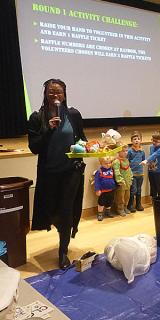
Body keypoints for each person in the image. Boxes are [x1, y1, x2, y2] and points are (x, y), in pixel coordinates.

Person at [28, 78, 86, 269]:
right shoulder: (37, 118)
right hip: (49, 173)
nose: (55, 95)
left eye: (59, 92)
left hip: (71, 171)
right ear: (45, 94)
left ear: (64, 94)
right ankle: (61, 229)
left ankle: (63, 251)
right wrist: (49, 130)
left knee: (66, 209)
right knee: (51, 211)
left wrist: (90, 147)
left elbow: (82, 140)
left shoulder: (74, 115)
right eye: (51, 92)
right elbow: (34, 147)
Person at [140, 131, 160, 198]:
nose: (154, 142)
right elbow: (151, 156)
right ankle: (154, 199)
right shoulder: (151, 147)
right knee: (152, 185)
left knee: (158, 186)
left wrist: (146, 160)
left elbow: (154, 155)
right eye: (153, 140)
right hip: (151, 170)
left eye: (156, 141)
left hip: (158, 172)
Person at [127, 131, 145, 212]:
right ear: (131, 141)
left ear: (140, 140)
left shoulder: (142, 151)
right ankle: (130, 205)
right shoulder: (130, 151)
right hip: (132, 174)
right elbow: (127, 161)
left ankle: (138, 204)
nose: (136, 140)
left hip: (140, 174)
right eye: (134, 139)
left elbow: (143, 161)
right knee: (133, 190)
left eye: (138, 139)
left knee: (139, 190)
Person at [94, 156, 117, 221]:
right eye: (105, 163)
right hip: (103, 191)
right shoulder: (99, 171)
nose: (108, 165)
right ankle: (100, 213)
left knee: (110, 201)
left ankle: (108, 211)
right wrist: (97, 189)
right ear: (101, 164)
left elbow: (114, 178)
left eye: (109, 163)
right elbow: (97, 181)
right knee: (101, 202)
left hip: (111, 189)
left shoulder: (111, 170)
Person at [113, 144, 133, 216]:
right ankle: (120, 208)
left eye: (126, 151)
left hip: (128, 182)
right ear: (118, 152)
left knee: (127, 195)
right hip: (121, 183)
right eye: (123, 151)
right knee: (120, 196)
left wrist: (131, 177)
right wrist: (120, 180)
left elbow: (129, 169)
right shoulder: (116, 162)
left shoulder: (126, 160)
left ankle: (125, 207)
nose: (125, 152)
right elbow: (116, 171)